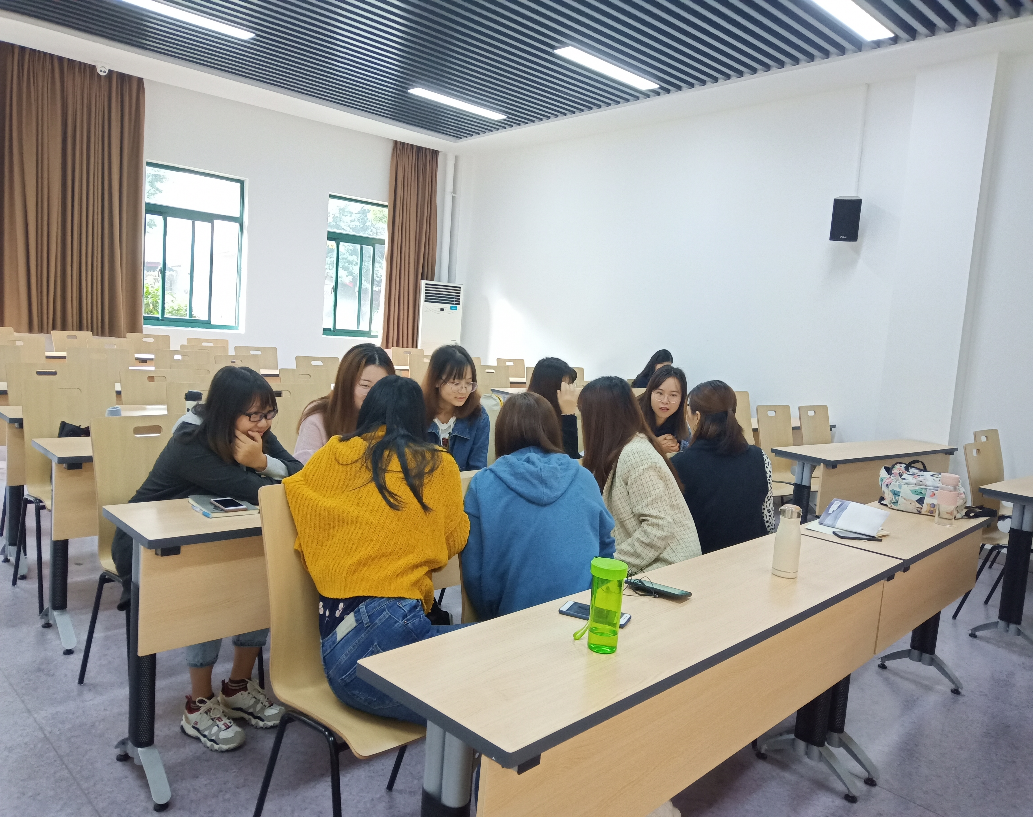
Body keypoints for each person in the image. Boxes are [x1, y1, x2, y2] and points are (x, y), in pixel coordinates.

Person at [111, 366, 301, 752]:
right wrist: (262, 470)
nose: (263, 423)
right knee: (210, 591)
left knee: (262, 576)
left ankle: (237, 687)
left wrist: (262, 461)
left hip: (219, 534)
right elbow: (256, 491)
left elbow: (299, 476)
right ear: (226, 412)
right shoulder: (191, 441)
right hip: (149, 547)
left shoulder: (253, 432)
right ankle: (198, 703)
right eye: (255, 415)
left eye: (269, 414)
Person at [284, 376, 469, 724]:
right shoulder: (435, 462)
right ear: (419, 417)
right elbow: (453, 539)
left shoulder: (333, 452)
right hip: (385, 630)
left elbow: (296, 491)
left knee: (498, 664)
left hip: (337, 644)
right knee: (503, 672)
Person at [462, 392, 615, 619]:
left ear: (502, 432)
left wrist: (496, 617)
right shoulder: (584, 476)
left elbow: (473, 572)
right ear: (553, 429)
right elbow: (606, 549)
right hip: (582, 617)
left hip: (511, 620)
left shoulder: (482, 484)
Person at [578, 376, 701, 574]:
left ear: (599, 419)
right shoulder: (620, 450)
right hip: (650, 564)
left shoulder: (635, 454)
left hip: (667, 569)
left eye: (584, 414)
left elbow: (658, 528)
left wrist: (609, 564)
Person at [671, 380, 775, 554]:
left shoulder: (679, 464)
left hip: (703, 563)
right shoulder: (760, 457)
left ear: (697, 417)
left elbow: (673, 531)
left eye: (688, 411)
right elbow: (769, 520)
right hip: (755, 556)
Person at [294, 343, 394, 463]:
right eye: (365, 385)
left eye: (381, 386)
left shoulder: (393, 417)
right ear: (346, 384)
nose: (374, 393)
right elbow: (303, 468)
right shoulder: (319, 418)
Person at [423, 344, 490, 471]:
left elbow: (476, 471)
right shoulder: (417, 412)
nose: (463, 390)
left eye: (469, 383)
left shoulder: (478, 416)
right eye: (456, 383)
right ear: (436, 381)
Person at [526, 356, 581, 458]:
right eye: (565, 386)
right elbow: (568, 458)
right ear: (551, 389)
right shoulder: (529, 413)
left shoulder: (556, 409)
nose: (569, 391)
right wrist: (568, 415)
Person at [638, 364, 690, 455]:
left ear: (682, 399)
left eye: (673, 395)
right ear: (650, 393)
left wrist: (678, 446)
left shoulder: (681, 423)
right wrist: (654, 447)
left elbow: (691, 449)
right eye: (660, 393)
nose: (665, 401)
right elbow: (618, 451)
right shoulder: (633, 415)